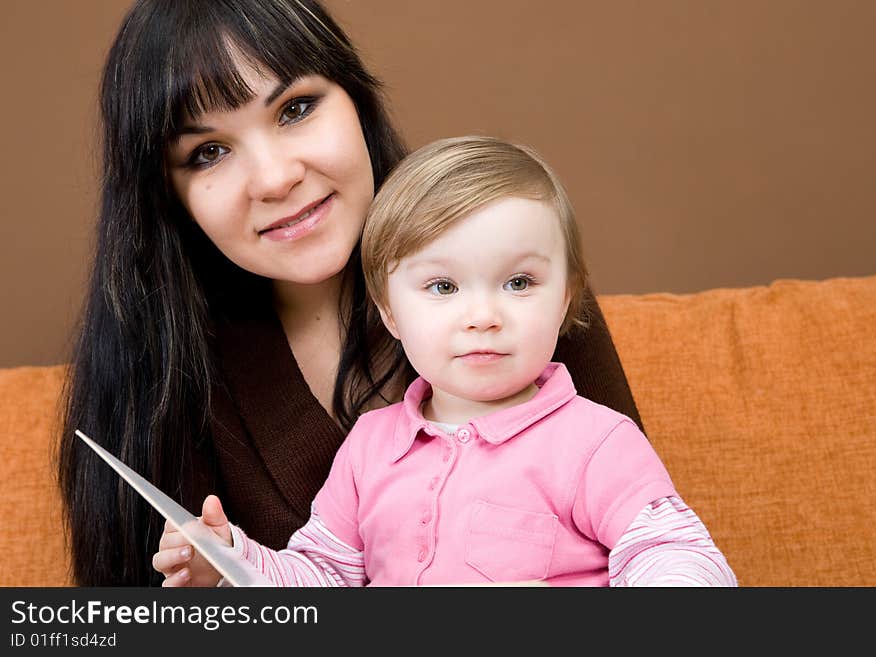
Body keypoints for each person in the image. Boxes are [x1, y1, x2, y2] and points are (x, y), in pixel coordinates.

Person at [57, 0, 646, 587]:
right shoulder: (158, 378)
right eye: (208, 152)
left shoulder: (509, 273)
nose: (275, 178)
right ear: (167, 195)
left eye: (295, 108)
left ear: (357, 102)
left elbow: (648, 538)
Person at [153, 136, 736, 586]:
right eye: (442, 288)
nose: (482, 315)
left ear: (565, 299)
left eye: (518, 281)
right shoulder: (369, 448)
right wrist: (230, 560)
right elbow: (323, 578)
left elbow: (673, 553)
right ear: (390, 312)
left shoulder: (595, 440)